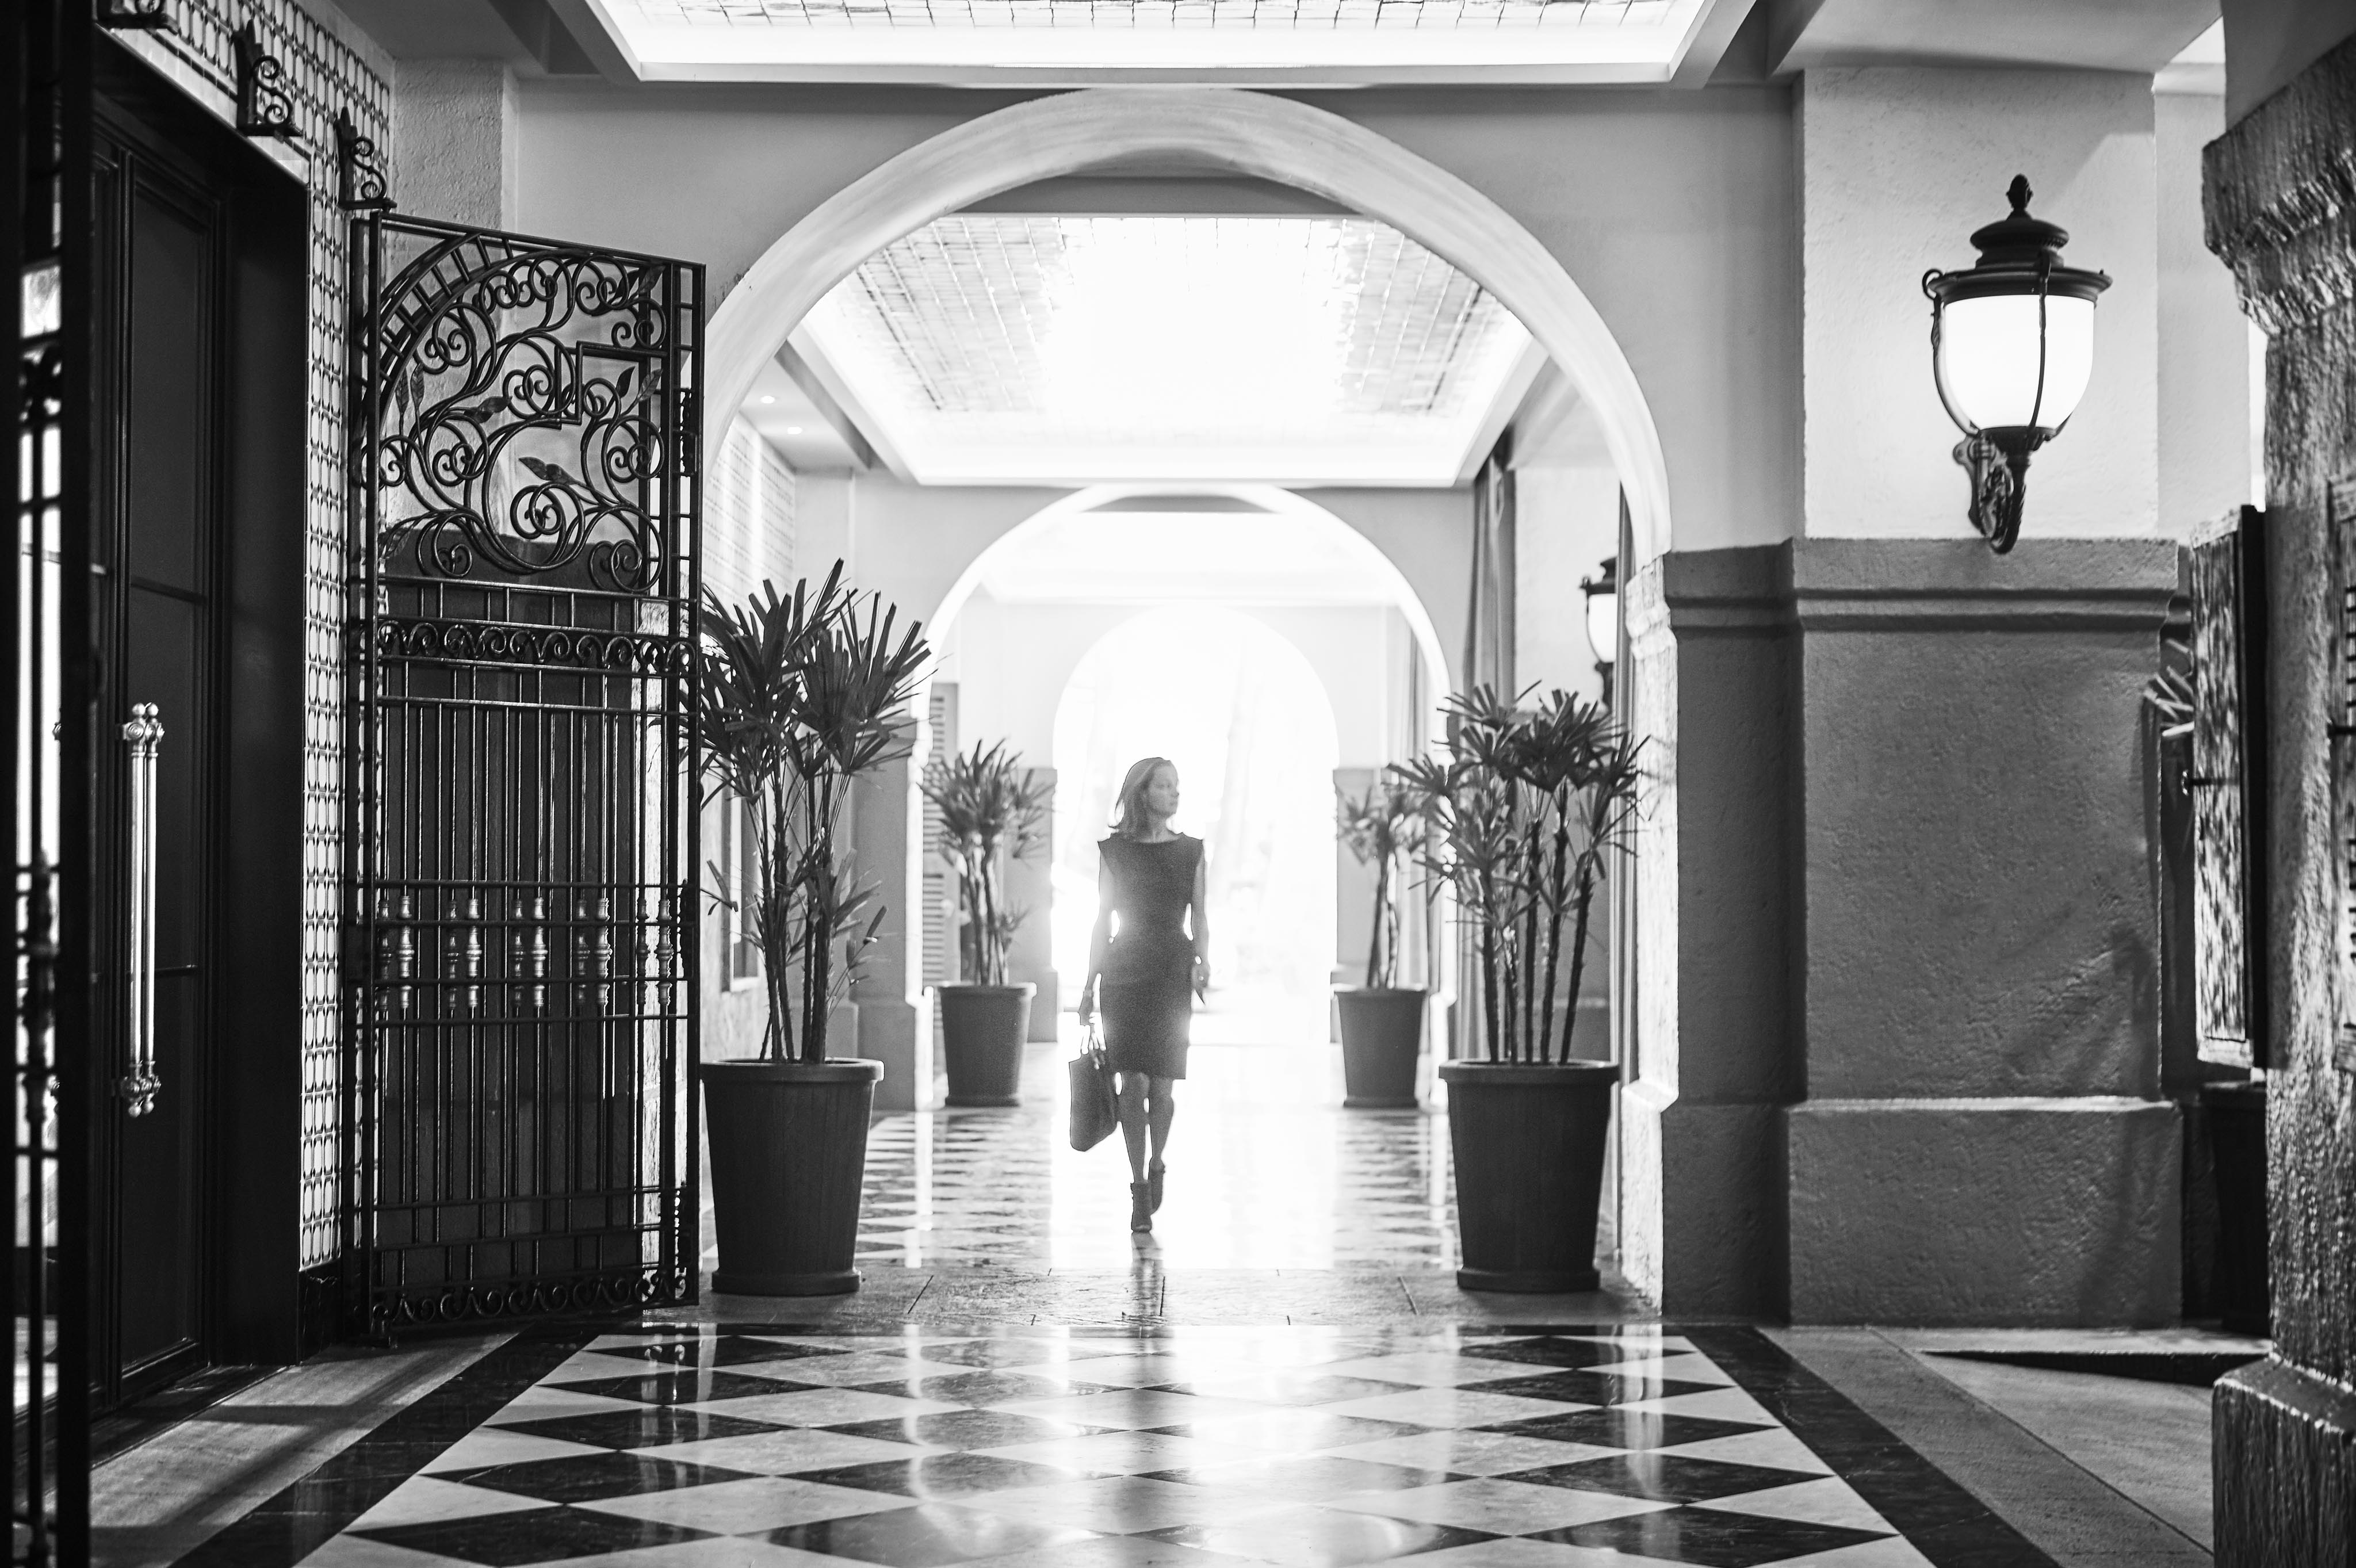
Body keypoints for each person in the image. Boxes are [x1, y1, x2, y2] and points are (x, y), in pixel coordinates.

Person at [1078, 756, 1209, 1236]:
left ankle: (1158, 1163)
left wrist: (1203, 960)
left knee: (1162, 1087)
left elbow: (1201, 916)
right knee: (1131, 1082)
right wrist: (1089, 982)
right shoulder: (1115, 851)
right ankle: (1137, 1187)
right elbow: (1101, 918)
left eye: (1177, 785)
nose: (1175, 793)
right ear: (1143, 793)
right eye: (1165, 786)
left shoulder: (1191, 851)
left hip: (1173, 969)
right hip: (1125, 970)